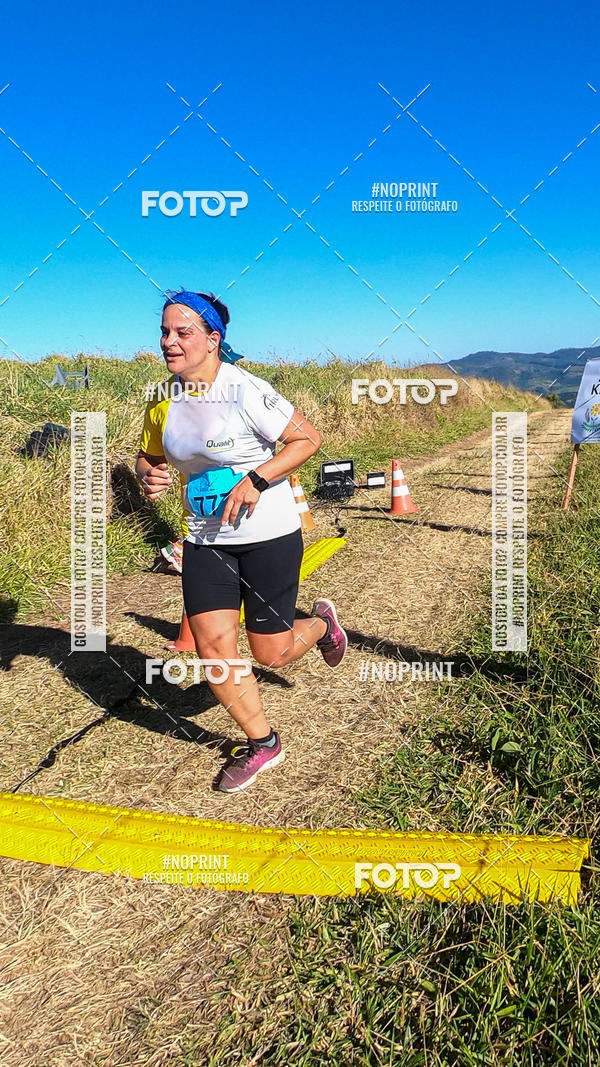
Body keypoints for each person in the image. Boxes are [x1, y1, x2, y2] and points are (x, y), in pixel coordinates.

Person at [136, 290, 347, 793]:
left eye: (181, 332)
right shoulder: (162, 401)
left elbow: (307, 440)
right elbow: (149, 458)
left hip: (267, 536)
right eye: (164, 332)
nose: (169, 342)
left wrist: (255, 479)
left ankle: (319, 624)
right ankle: (264, 743)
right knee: (214, 651)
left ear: (213, 339)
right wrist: (149, 476)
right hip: (206, 540)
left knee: (270, 653)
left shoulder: (247, 389)